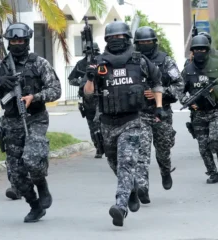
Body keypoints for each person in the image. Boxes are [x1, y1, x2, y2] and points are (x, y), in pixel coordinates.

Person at [84, 20, 164, 227]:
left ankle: (120, 207)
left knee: (127, 164)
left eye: (119, 37)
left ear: (127, 39)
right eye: (111, 38)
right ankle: (132, 191)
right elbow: (88, 94)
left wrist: (158, 106)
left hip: (132, 121)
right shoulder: (100, 63)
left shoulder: (140, 61)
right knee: (114, 163)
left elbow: (157, 82)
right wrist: (91, 77)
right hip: (107, 123)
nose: (115, 41)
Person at [0, 22, 61, 223]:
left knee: (33, 158)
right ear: (8, 43)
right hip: (11, 122)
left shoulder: (39, 63)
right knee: (15, 176)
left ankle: (41, 184)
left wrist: (35, 96)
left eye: (20, 41)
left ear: (27, 41)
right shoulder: (0, 67)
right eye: (13, 41)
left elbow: (56, 89)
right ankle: (34, 205)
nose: (17, 44)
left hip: (35, 118)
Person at [133, 26, 183, 200]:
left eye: (148, 42)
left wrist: (159, 94)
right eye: (141, 43)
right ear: (136, 44)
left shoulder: (165, 61)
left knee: (163, 149)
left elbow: (179, 85)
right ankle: (142, 187)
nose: (145, 45)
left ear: (154, 42)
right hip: (140, 114)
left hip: (162, 112)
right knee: (142, 152)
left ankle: (165, 170)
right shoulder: (131, 61)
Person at [180, 35, 218, 184]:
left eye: (202, 49)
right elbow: (179, 89)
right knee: (203, 147)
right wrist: (188, 102)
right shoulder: (187, 70)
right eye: (196, 49)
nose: (199, 52)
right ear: (192, 51)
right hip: (198, 114)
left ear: (208, 50)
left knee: (216, 139)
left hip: (215, 110)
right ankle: (212, 173)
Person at [68, 42, 103, 158]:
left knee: (102, 122)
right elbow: (71, 79)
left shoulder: (103, 61)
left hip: (102, 97)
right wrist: (83, 83)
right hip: (88, 99)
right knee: (92, 124)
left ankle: (106, 145)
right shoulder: (81, 64)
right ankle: (98, 147)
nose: (92, 55)